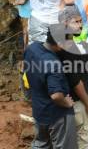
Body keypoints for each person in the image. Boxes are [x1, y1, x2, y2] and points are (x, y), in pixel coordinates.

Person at [56, 7, 88, 148]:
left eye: (80, 21)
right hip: (76, 101)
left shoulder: (64, 42)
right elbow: (75, 81)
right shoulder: (66, 47)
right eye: (76, 22)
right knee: (82, 136)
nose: (80, 25)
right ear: (65, 24)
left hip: (69, 100)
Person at [24, 13, 76, 149]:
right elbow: (56, 95)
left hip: (39, 109)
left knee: (41, 144)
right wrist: (66, 103)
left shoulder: (32, 48)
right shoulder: (53, 64)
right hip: (56, 115)